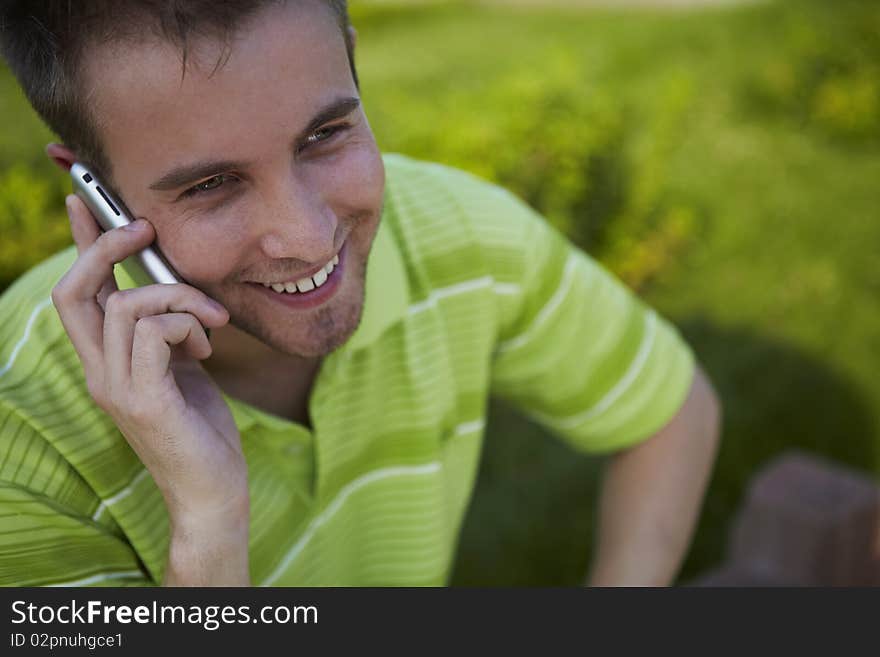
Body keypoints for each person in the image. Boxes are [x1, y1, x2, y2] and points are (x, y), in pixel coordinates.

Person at [0, 0, 721, 586]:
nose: (310, 238)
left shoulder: (461, 234)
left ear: (351, 60)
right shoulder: (19, 441)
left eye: (324, 134)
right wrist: (208, 527)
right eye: (210, 185)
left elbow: (671, 412)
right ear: (93, 189)